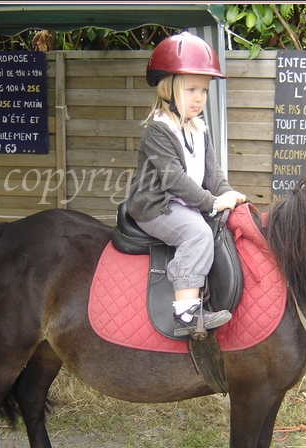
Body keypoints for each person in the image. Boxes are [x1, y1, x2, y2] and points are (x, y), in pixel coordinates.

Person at [125, 32, 246, 338]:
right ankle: (185, 313)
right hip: (156, 207)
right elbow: (175, 179)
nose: (199, 98)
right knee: (197, 233)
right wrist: (212, 203)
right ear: (167, 88)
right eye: (191, 89)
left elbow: (212, 173)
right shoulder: (158, 131)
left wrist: (227, 193)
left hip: (183, 202)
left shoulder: (199, 129)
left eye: (204, 90)